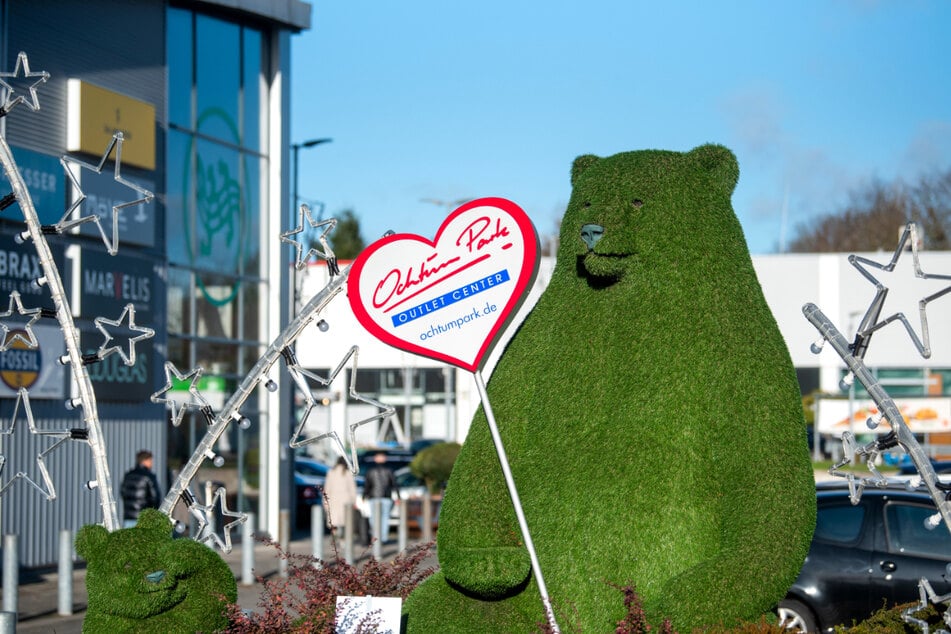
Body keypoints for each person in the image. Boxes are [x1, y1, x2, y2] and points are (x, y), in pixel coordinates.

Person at [120, 449, 161, 528]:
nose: (151, 463)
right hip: (144, 519)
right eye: (150, 460)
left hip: (128, 517)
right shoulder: (149, 476)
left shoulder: (128, 475)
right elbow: (155, 498)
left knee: (130, 540)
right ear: (145, 461)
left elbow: (122, 493)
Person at [363, 453, 397, 543]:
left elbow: (367, 485)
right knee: (385, 518)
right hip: (386, 497)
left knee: (373, 518)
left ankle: (375, 537)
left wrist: (364, 496)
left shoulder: (370, 471)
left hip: (373, 497)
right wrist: (398, 497)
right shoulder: (389, 470)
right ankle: (383, 538)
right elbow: (394, 484)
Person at [322, 456, 356, 537]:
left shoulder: (331, 472)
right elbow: (352, 488)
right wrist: (354, 500)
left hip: (333, 499)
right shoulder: (348, 473)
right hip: (346, 500)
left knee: (334, 521)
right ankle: (344, 539)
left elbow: (327, 488)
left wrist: (325, 501)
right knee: (345, 521)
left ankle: (334, 536)